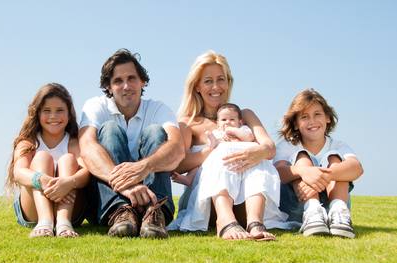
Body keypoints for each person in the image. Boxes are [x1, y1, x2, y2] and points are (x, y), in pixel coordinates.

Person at [168, 50, 288, 240]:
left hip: (247, 203)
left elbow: (270, 148)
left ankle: (255, 223)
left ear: (228, 82)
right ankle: (224, 221)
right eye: (208, 81)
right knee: (222, 151)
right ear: (197, 86)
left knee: (259, 155)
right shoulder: (188, 123)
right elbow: (178, 164)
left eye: (221, 79)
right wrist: (212, 150)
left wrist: (255, 152)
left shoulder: (244, 116)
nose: (216, 87)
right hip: (208, 205)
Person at [79, 49, 184, 239]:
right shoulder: (95, 106)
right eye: (118, 81)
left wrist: (144, 167)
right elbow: (86, 148)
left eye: (132, 78)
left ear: (142, 81)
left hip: (151, 195)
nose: (126, 86)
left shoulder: (158, 109)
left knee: (154, 131)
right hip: (110, 199)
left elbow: (177, 148)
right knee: (110, 129)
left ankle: (155, 213)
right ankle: (121, 211)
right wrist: (125, 185)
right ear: (109, 87)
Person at [274, 88, 363, 238]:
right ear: (295, 124)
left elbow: (357, 168)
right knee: (301, 157)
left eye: (317, 114)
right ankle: (313, 211)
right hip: (298, 205)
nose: (312, 121)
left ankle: (338, 213)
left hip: (332, 201)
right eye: (304, 117)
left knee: (334, 158)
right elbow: (277, 172)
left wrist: (325, 176)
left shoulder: (338, 145)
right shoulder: (287, 145)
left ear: (327, 118)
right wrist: (304, 172)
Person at [5, 83, 90, 238]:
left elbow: (86, 172)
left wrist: (69, 182)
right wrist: (42, 180)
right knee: (42, 157)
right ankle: (45, 221)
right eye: (47, 111)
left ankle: (63, 222)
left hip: (70, 211)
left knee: (69, 160)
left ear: (69, 114)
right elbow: (18, 172)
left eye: (60, 111)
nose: (53, 116)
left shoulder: (74, 142)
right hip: (33, 211)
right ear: (37, 114)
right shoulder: (28, 142)